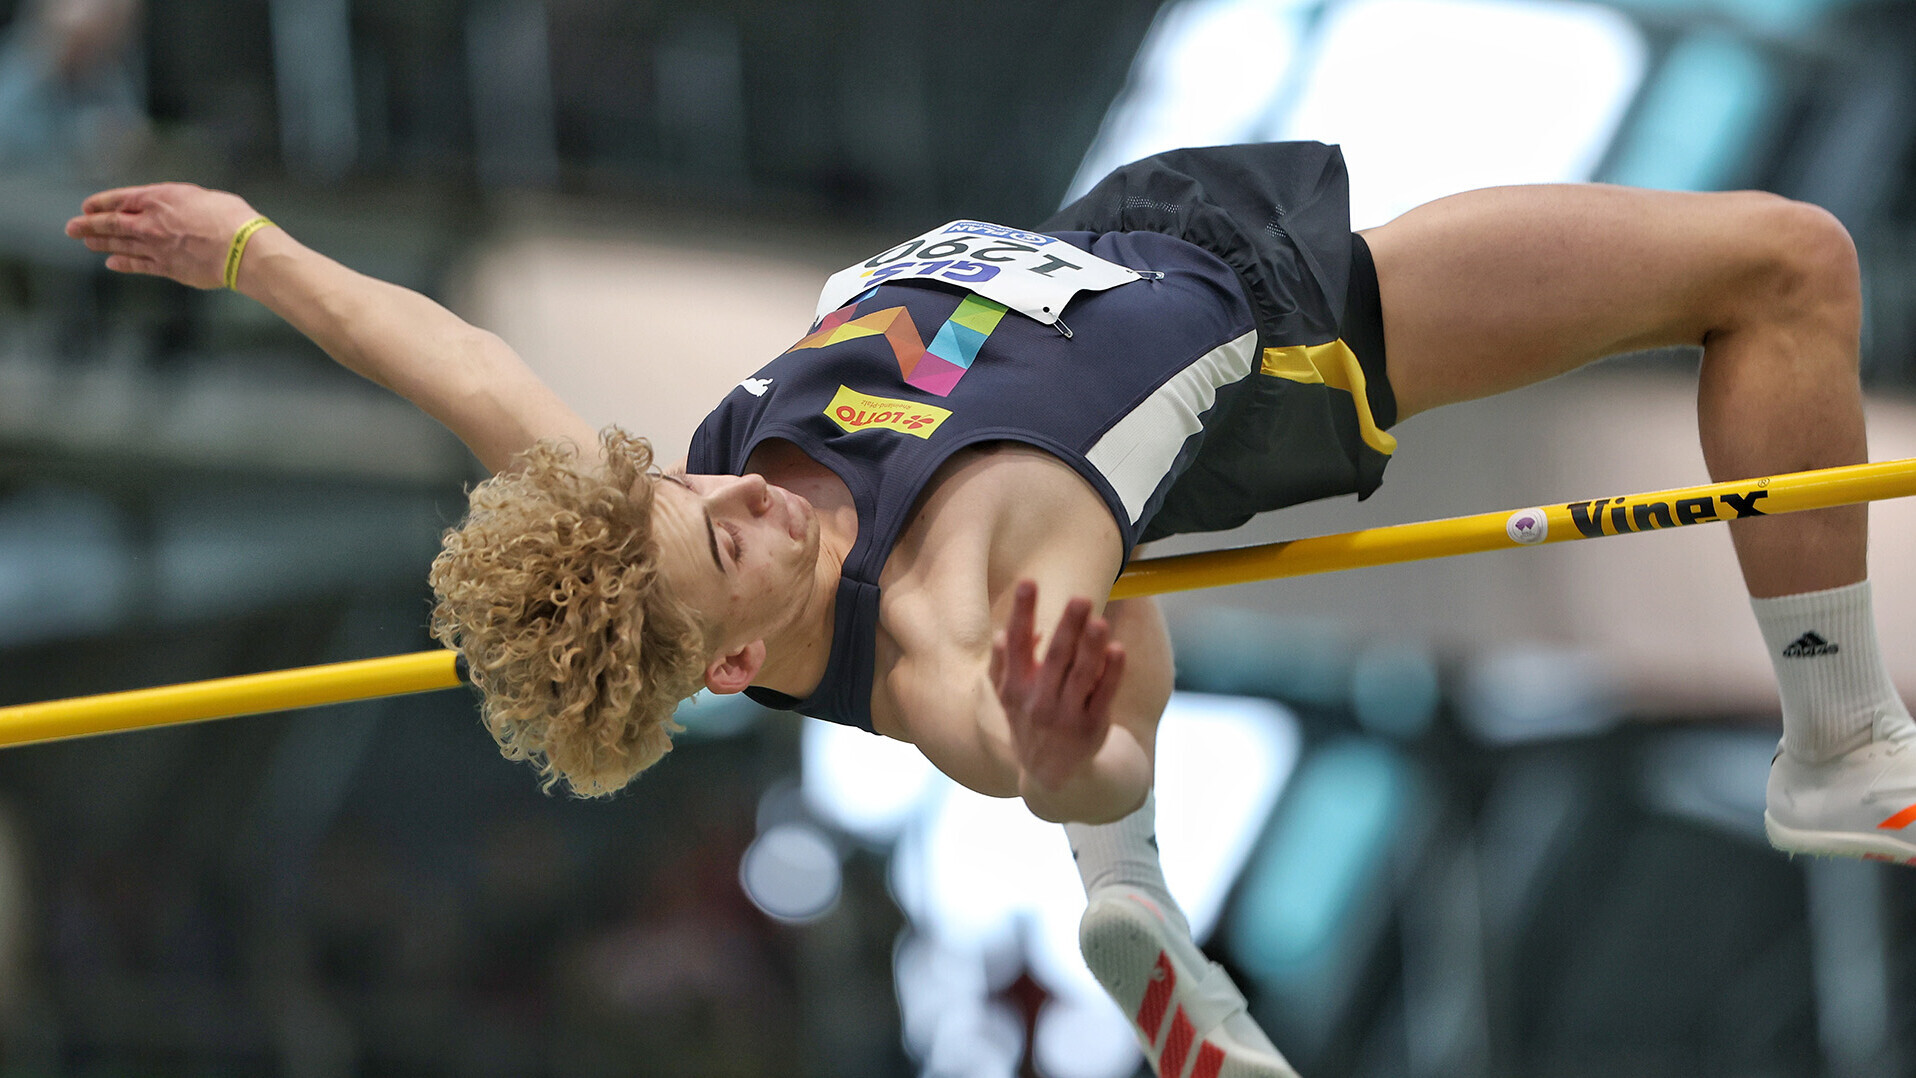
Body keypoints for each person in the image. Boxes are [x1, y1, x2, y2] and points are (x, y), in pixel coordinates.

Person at [65, 143, 1915, 1078]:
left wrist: (253, 249)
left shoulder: (642, 513)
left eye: (680, 484)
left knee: (1102, 609)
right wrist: (1063, 756)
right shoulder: (946, 636)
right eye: (720, 540)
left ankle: (1137, 906)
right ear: (728, 659)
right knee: (1786, 266)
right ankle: (1841, 742)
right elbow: (1033, 736)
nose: (720, 487)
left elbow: (452, 355)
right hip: (1268, 320)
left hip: (1118, 235)